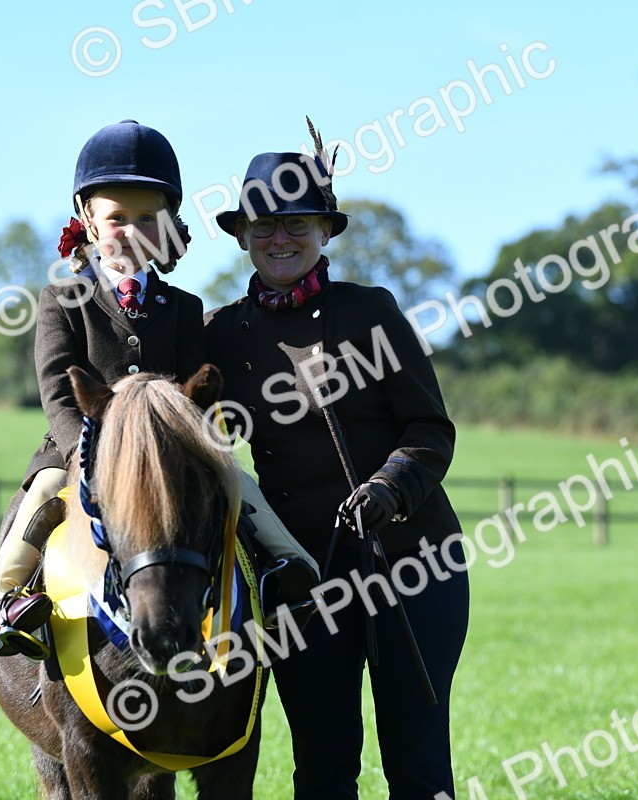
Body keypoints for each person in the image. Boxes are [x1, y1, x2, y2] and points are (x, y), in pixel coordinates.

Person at [0, 119, 319, 660]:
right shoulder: (60, 299)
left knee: (236, 481)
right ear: (89, 223)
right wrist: (84, 455)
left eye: (147, 219)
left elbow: (192, 390)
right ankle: (7, 599)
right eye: (118, 219)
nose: (132, 231)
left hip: (172, 450)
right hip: (80, 448)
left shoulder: (183, 307)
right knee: (43, 492)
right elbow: (57, 389)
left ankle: (286, 567)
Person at [204, 122, 470, 799]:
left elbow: (430, 430)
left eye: (297, 223)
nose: (280, 239)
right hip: (303, 578)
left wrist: (389, 487)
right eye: (263, 225)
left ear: (324, 230)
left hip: (413, 561)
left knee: (416, 758)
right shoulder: (222, 336)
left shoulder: (370, 312)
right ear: (241, 236)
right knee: (322, 766)